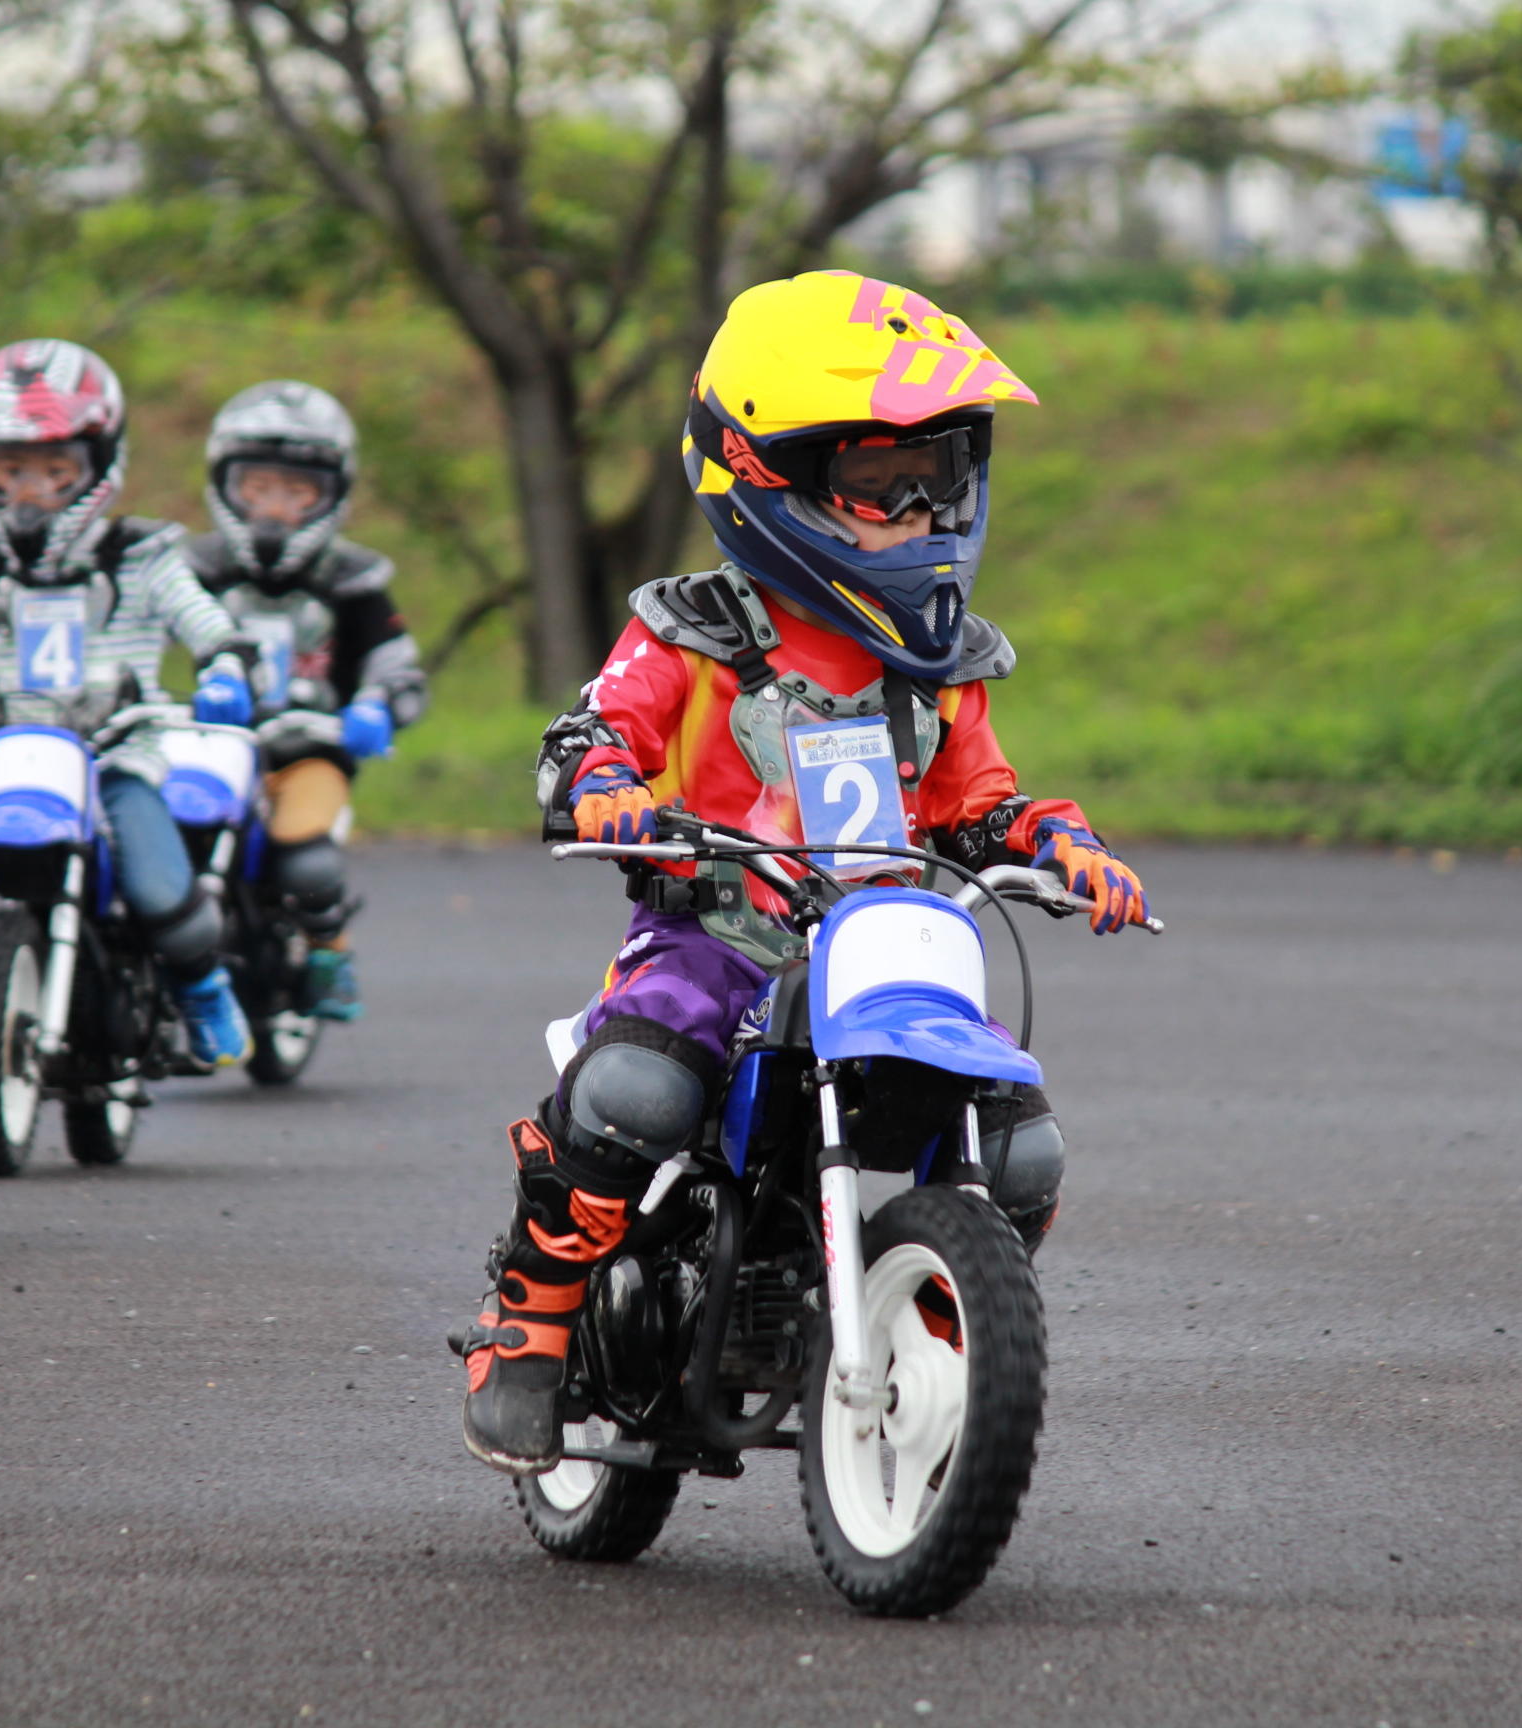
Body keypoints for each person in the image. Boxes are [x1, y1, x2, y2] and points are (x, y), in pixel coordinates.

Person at [459, 270, 1153, 1473]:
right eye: (883, 485)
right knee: (639, 1087)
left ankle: (936, 1323)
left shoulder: (941, 668)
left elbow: (977, 804)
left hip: (887, 943)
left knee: (1019, 1147)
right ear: (761, 473)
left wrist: (1057, 843)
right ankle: (527, 1324)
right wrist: (606, 787)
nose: (923, 511)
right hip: (718, 930)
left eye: (940, 477)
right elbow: (597, 731)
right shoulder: (694, 628)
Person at [0, 339, 256, 1068]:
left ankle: (202, 989)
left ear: (97, 465)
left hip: (116, 762)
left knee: (163, 888)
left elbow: (206, 622)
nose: (32, 491)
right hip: (13, 764)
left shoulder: (143, 554)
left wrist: (223, 670)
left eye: (55, 471)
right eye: (12, 471)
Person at [182, 382, 426, 1020]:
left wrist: (376, 706)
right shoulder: (192, 570)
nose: (274, 509)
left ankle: (328, 949)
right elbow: (131, 638)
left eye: (296, 492)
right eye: (257, 489)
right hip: (210, 747)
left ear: (331, 495)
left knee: (306, 853)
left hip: (308, 748)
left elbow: (395, 664)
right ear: (225, 485)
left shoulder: (353, 580)